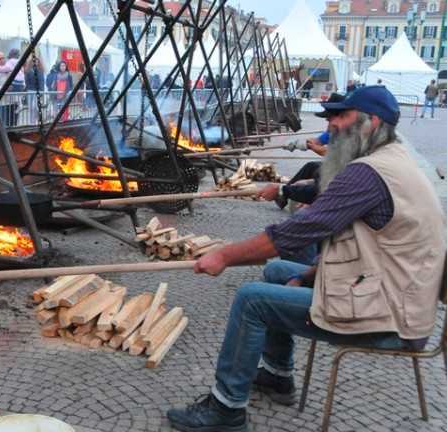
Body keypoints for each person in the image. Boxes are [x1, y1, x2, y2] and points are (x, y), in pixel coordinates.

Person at [166, 85, 445, 432]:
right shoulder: (391, 160)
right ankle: (278, 375)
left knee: (251, 299)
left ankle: (226, 409)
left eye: (342, 116)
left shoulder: (371, 172)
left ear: (372, 122)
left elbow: (298, 231)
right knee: (280, 272)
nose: (333, 126)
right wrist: (310, 274)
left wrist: (224, 255)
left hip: (390, 316)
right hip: (391, 293)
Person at [23, 53, 45, 124]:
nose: (35, 62)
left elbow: (42, 81)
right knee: (30, 107)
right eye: (33, 61)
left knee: (34, 106)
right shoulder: (28, 70)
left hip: (37, 91)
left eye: (36, 61)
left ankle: (35, 120)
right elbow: (26, 81)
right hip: (30, 90)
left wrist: (42, 91)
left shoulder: (40, 70)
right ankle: (31, 122)